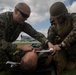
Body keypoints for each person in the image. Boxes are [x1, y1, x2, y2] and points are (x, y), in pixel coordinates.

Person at [0, 2, 55, 71]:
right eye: (24, 15)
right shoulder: (2, 20)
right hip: (2, 48)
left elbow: (35, 34)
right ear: (16, 11)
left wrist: (48, 42)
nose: (26, 19)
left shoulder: (21, 23)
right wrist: (21, 47)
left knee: (14, 63)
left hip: (7, 48)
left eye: (27, 17)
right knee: (5, 66)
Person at [46, 2, 76, 75]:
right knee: (66, 66)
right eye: (55, 18)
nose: (57, 20)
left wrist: (62, 44)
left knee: (70, 67)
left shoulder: (73, 17)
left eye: (59, 17)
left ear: (64, 14)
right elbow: (50, 39)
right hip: (65, 50)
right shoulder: (53, 26)